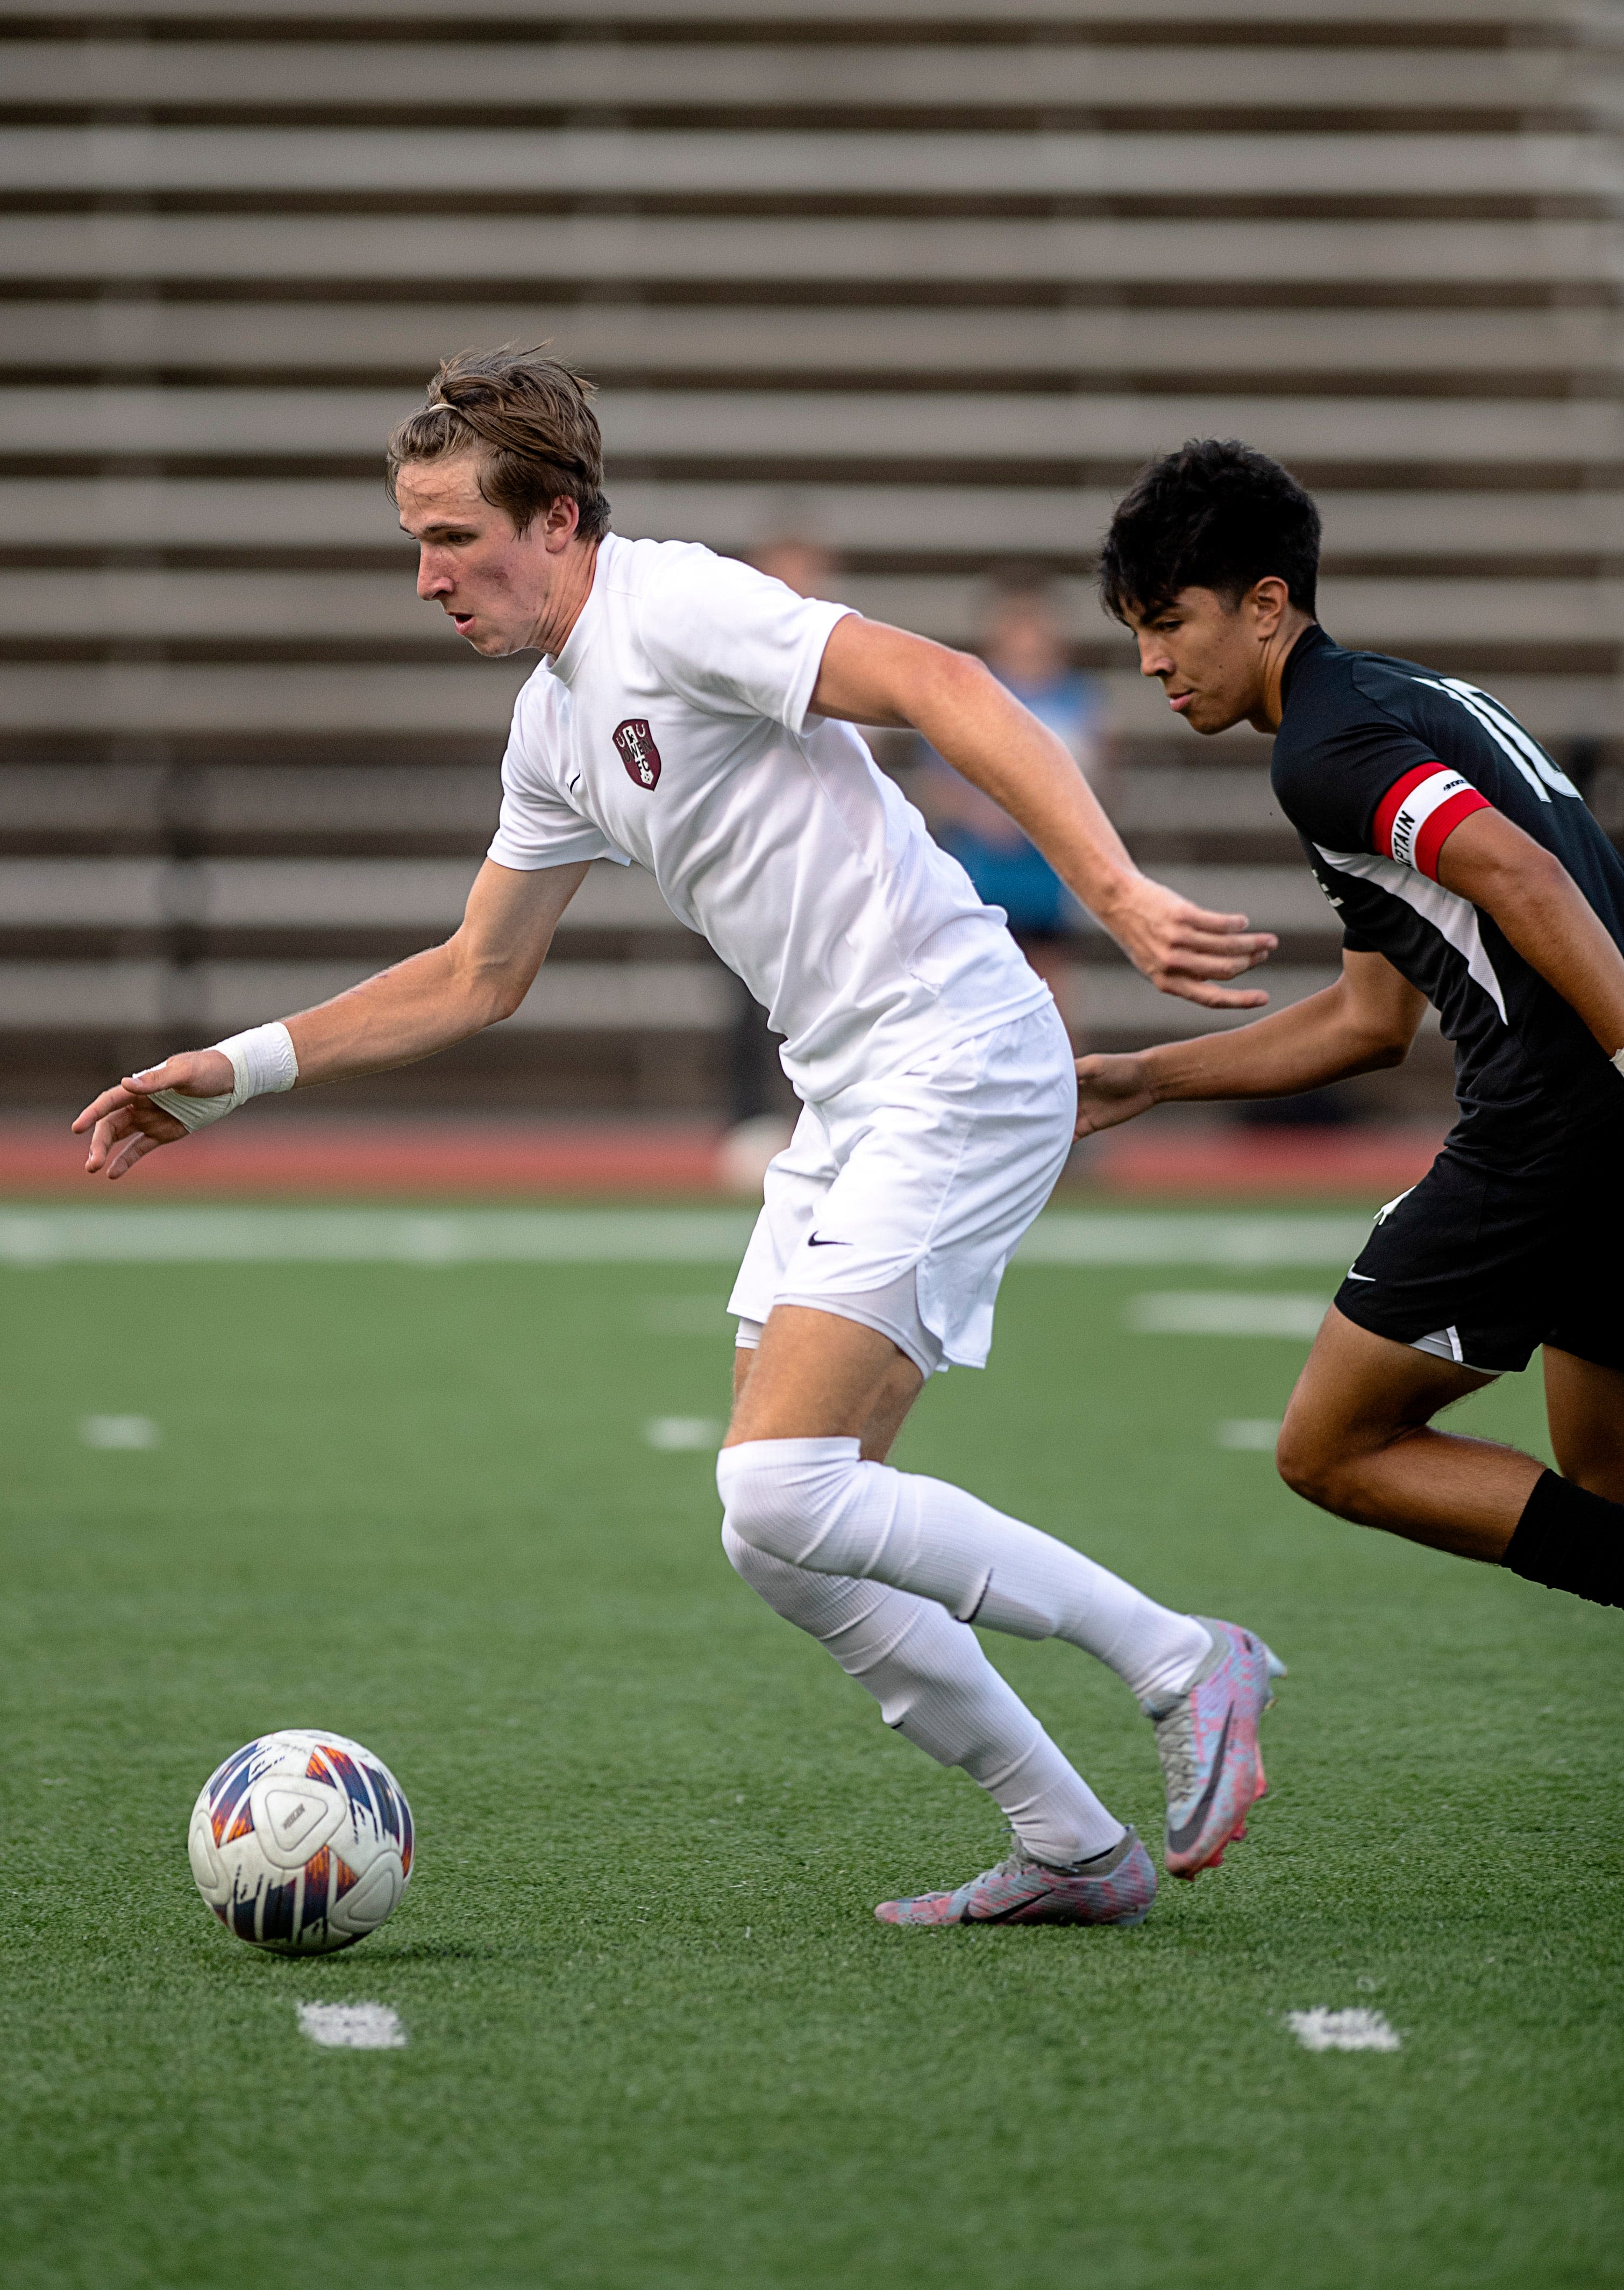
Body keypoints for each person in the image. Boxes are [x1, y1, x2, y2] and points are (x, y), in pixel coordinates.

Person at [73, 351, 1284, 1929]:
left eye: (451, 538)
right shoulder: (553, 723)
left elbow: (944, 686)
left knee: (784, 1482)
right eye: (413, 543)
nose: (426, 576)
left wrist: (1113, 893)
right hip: (852, 1092)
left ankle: (1184, 1659)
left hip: (959, 1058)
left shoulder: (676, 607)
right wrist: (224, 1074)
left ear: (556, 519)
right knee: (773, 1533)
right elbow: (476, 974)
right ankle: (1068, 1842)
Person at [1080, 438, 1624, 1611]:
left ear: (1266, 605)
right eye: (1138, 629)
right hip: (1594, 1121)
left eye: (1169, 621)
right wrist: (1146, 1080)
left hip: (1547, 1130)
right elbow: (1371, 1024)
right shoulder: (1394, 699)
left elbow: (1522, 877)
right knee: (1608, 1481)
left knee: (1328, 1448)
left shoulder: (1325, 750)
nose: (1149, 660)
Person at [923, 572, 1108, 961]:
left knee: (1051, 984)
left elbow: (1100, 782)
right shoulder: (969, 697)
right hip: (984, 872)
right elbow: (937, 785)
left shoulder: (1077, 699)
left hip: (1049, 878)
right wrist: (982, 813)